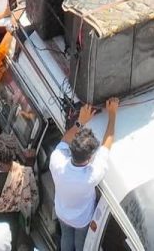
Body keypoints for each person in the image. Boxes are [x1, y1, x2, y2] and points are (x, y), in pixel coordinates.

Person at [48, 99, 117, 251]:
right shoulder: (91, 176)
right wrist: (112, 115)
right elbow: (107, 145)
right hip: (81, 220)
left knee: (66, 238)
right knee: (80, 245)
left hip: (62, 212)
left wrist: (80, 121)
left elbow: (65, 139)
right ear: (90, 157)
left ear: (72, 149)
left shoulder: (56, 162)